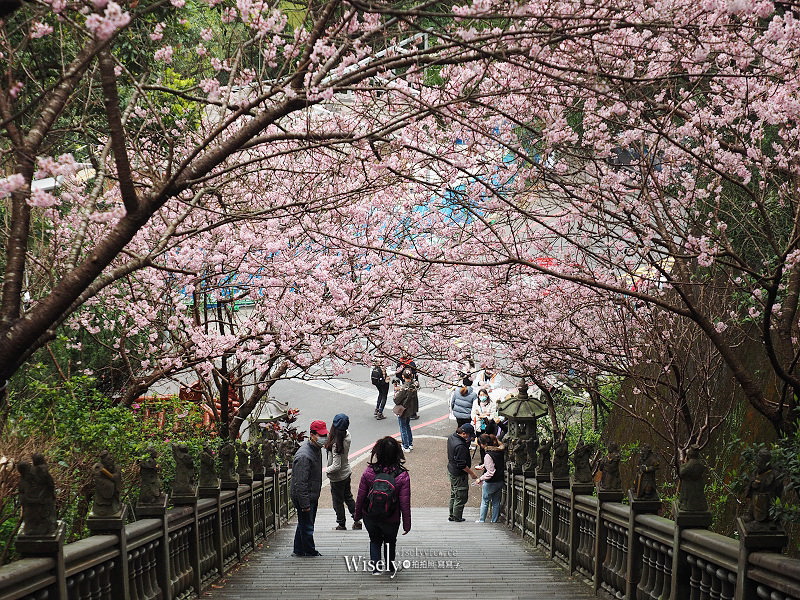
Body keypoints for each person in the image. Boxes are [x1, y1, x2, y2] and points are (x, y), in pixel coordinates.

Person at [354, 436, 412, 577]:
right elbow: (404, 502)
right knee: (390, 541)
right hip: (391, 517)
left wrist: (357, 516)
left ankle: (376, 568)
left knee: (374, 540)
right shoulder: (402, 475)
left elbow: (361, 495)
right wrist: (407, 524)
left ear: (378, 453)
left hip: (370, 515)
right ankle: (390, 567)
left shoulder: (369, 472)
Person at [290, 420, 328, 557]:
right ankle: (309, 550)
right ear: (312, 434)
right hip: (304, 496)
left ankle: (298, 549)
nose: (323, 438)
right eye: (320, 435)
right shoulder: (304, 455)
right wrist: (305, 504)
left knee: (304, 522)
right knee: (307, 525)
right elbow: (300, 483)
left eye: (324, 435)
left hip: (311, 494)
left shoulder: (316, 449)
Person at [325, 413, 362, 531]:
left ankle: (341, 524)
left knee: (338, 502)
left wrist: (327, 471)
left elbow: (336, 465)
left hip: (337, 477)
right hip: (346, 473)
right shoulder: (347, 436)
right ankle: (357, 520)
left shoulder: (336, 444)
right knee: (348, 497)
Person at [447, 423, 478, 522]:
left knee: (454, 493)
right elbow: (462, 465)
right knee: (461, 495)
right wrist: (472, 473)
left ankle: (452, 514)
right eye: (469, 435)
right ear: (464, 433)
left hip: (451, 470)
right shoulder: (460, 446)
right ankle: (457, 516)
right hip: (459, 474)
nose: (470, 437)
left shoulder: (452, 437)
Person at [473, 433, 505, 522]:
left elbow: (491, 472)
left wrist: (480, 478)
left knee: (485, 501)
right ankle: (494, 520)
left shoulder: (488, 455)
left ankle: (482, 520)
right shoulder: (500, 451)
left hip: (491, 482)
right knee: (496, 502)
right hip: (500, 480)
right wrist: (484, 465)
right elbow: (496, 464)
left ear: (484, 444)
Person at [394, 368, 419, 452]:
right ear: (411, 375)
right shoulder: (414, 385)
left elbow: (396, 400)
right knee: (407, 426)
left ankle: (406, 446)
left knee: (403, 427)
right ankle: (410, 443)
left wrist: (396, 391)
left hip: (403, 409)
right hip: (411, 409)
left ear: (402, 376)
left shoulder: (404, 388)